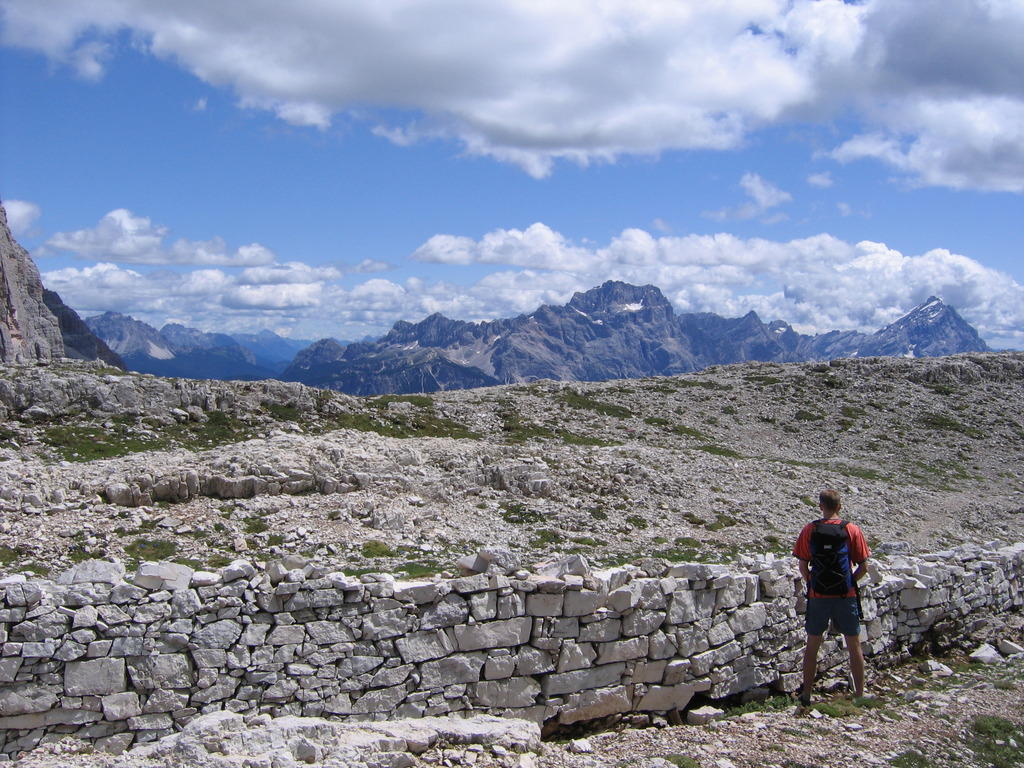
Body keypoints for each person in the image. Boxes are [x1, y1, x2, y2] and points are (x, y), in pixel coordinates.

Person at [792, 488, 870, 704]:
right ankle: (860, 695)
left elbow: (802, 564)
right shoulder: (851, 530)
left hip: (818, 595)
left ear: (820, 506)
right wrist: (849, 582)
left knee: (812, 645)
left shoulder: (810, 529)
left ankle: (807, 693)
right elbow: (863, 566)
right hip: (846, 595)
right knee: (854, 645)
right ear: (840, 506)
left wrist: (812, 582)